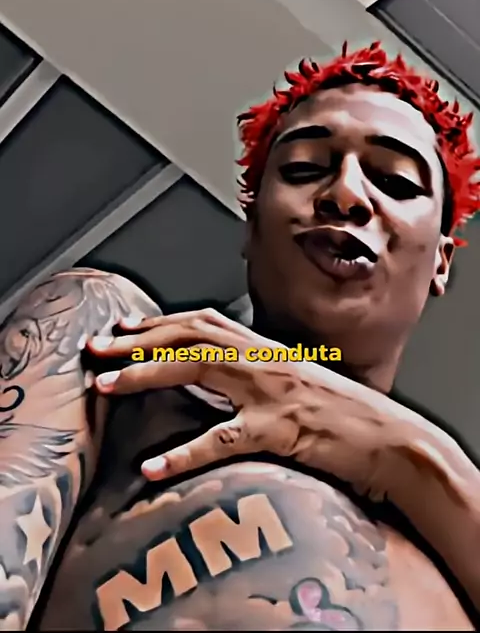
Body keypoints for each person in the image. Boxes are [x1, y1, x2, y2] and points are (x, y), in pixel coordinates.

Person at [1, 42, 479, 631]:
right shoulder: (119, 349)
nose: (346, 195)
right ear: (250, 227)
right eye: (303, 168)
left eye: (396, 181)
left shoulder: (454, 536)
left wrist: (409, 456)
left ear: (441, 261)